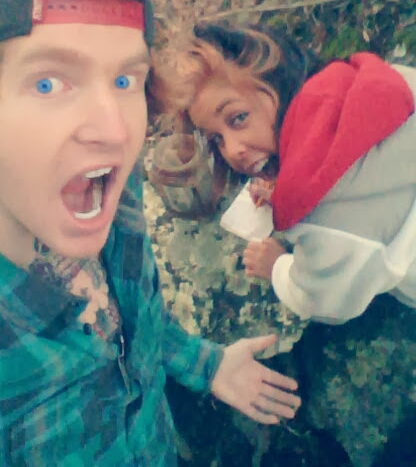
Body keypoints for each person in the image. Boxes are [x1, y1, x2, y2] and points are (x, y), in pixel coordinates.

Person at [0, 0, 300, 466]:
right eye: (49, 83)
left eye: (125, 80)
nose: (115, 131)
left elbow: (138, 316)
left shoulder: (110, 192)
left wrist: (206, 365)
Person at [151, 21, 416, 323]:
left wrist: (277, 266)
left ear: (274, 81)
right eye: (217, 139)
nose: (232, 150)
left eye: (238, 118)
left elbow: (327, 304)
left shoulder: (327, 222)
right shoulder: (379, 81)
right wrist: (284, 176)